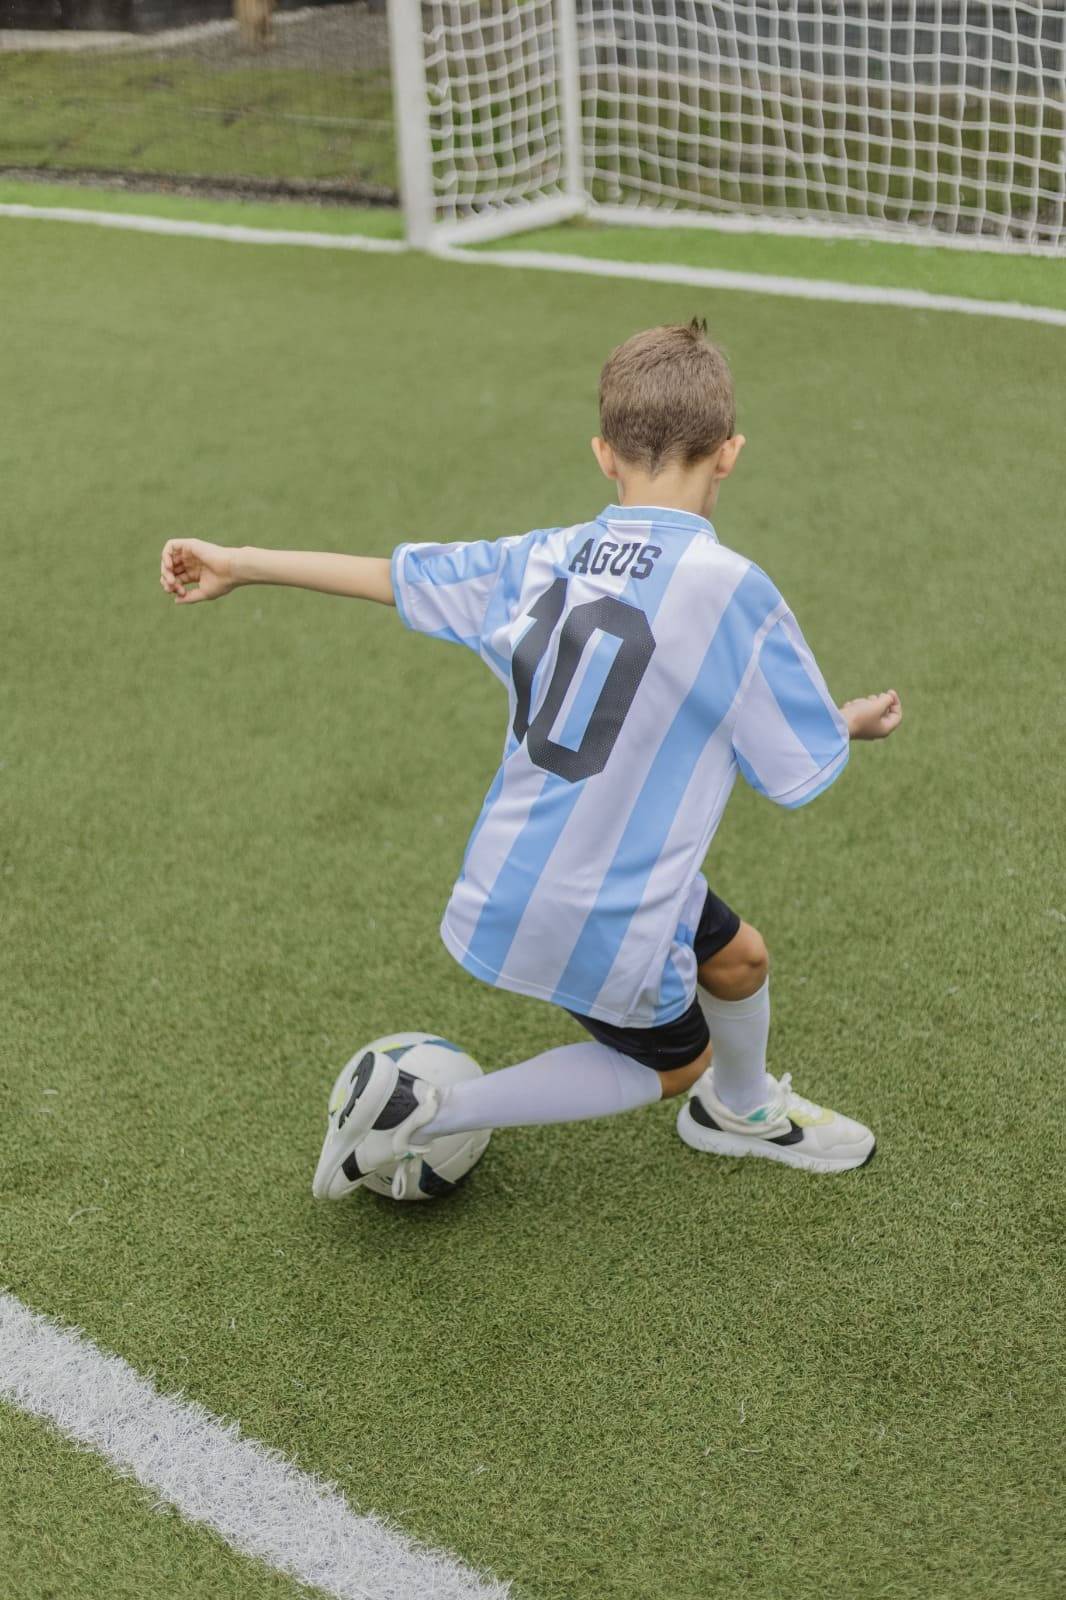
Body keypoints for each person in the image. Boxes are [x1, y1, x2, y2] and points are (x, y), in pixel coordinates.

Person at [159, 320, 902, 1197]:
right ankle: (424, 1116)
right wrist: (850, 722)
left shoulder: (542, 557)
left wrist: (238, 563)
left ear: (602, 454)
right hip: (606, 904)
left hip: (522, 871)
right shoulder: (734, 587)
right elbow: (795, 758)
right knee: (673, 1062)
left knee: (739, 959)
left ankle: (739, 1114)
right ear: (730, 453)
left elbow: (394, 574)